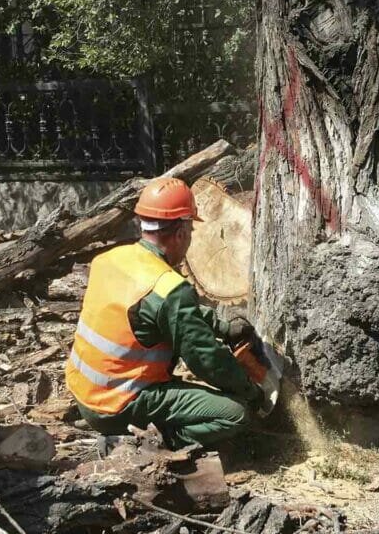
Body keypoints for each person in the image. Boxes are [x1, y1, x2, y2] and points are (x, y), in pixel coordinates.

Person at [65, 177, 263, 449]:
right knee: (234, 414)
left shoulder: (110, 259)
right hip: (119, 405)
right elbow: (205, 359)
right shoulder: (169, 289)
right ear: (181, 232)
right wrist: (250, 392)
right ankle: (151, 442)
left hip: (85, 394)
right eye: (191, 232)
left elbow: (157, 313)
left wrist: (222, 326)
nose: (189, 240)